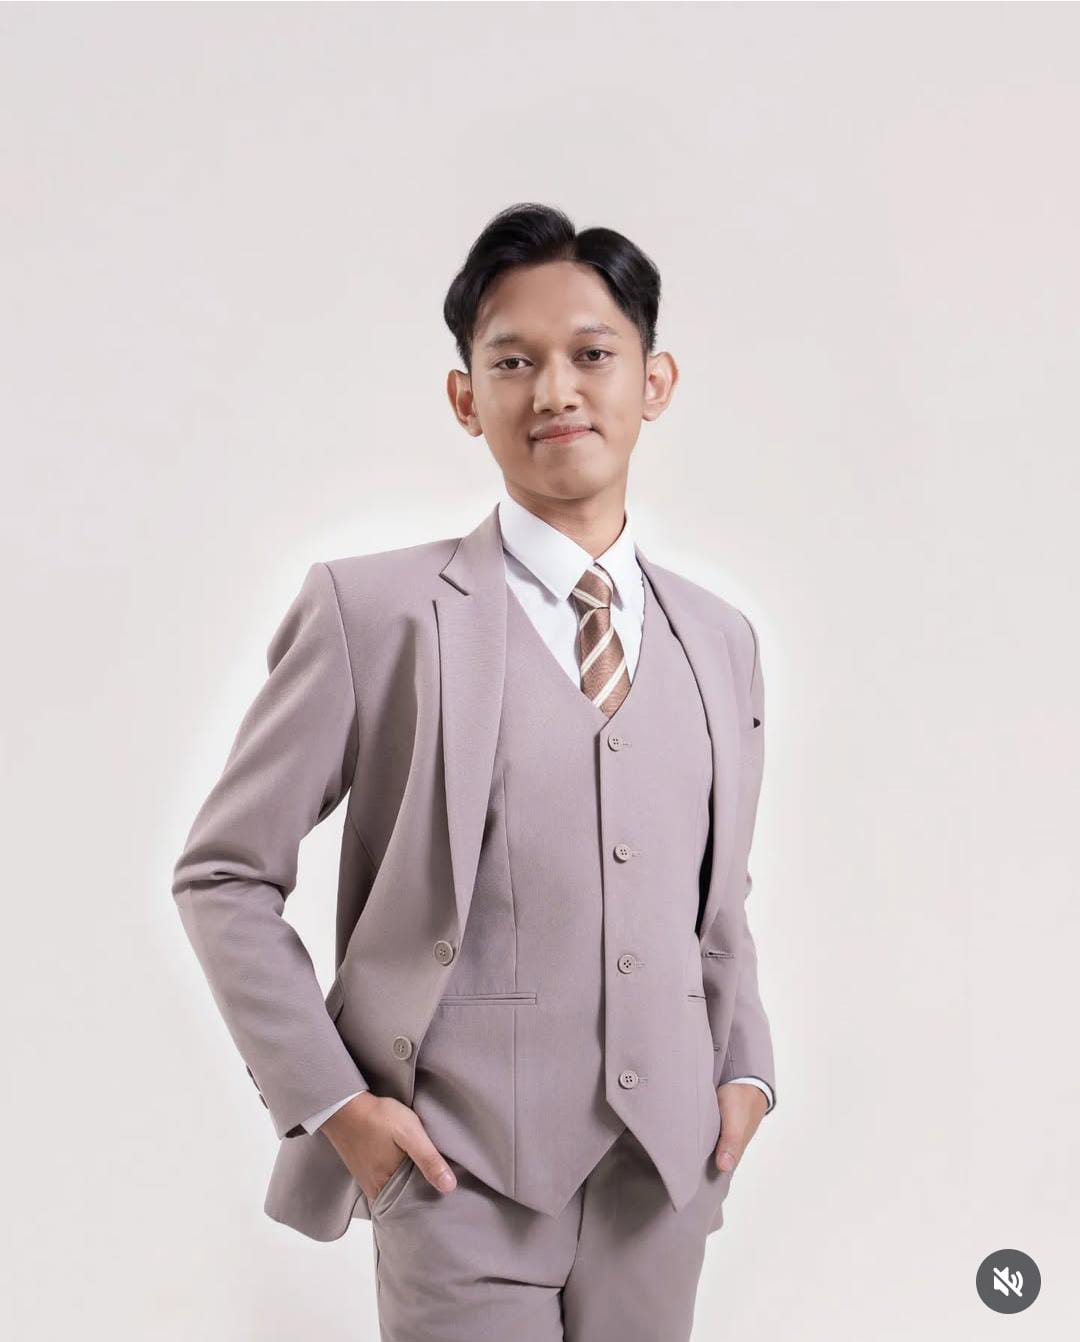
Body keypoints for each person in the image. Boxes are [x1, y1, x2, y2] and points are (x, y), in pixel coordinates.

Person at [172, 201, 777, 1341]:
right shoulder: (375, 613)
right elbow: (223, 875)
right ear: (466, 398)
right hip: (456, 1178)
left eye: (592, 354)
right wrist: (337, 1105)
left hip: (664, 1182)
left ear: (654, 381)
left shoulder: (722, 640)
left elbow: (715, 899)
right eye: (513, 361)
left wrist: (746, 1067)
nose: (556, 391)